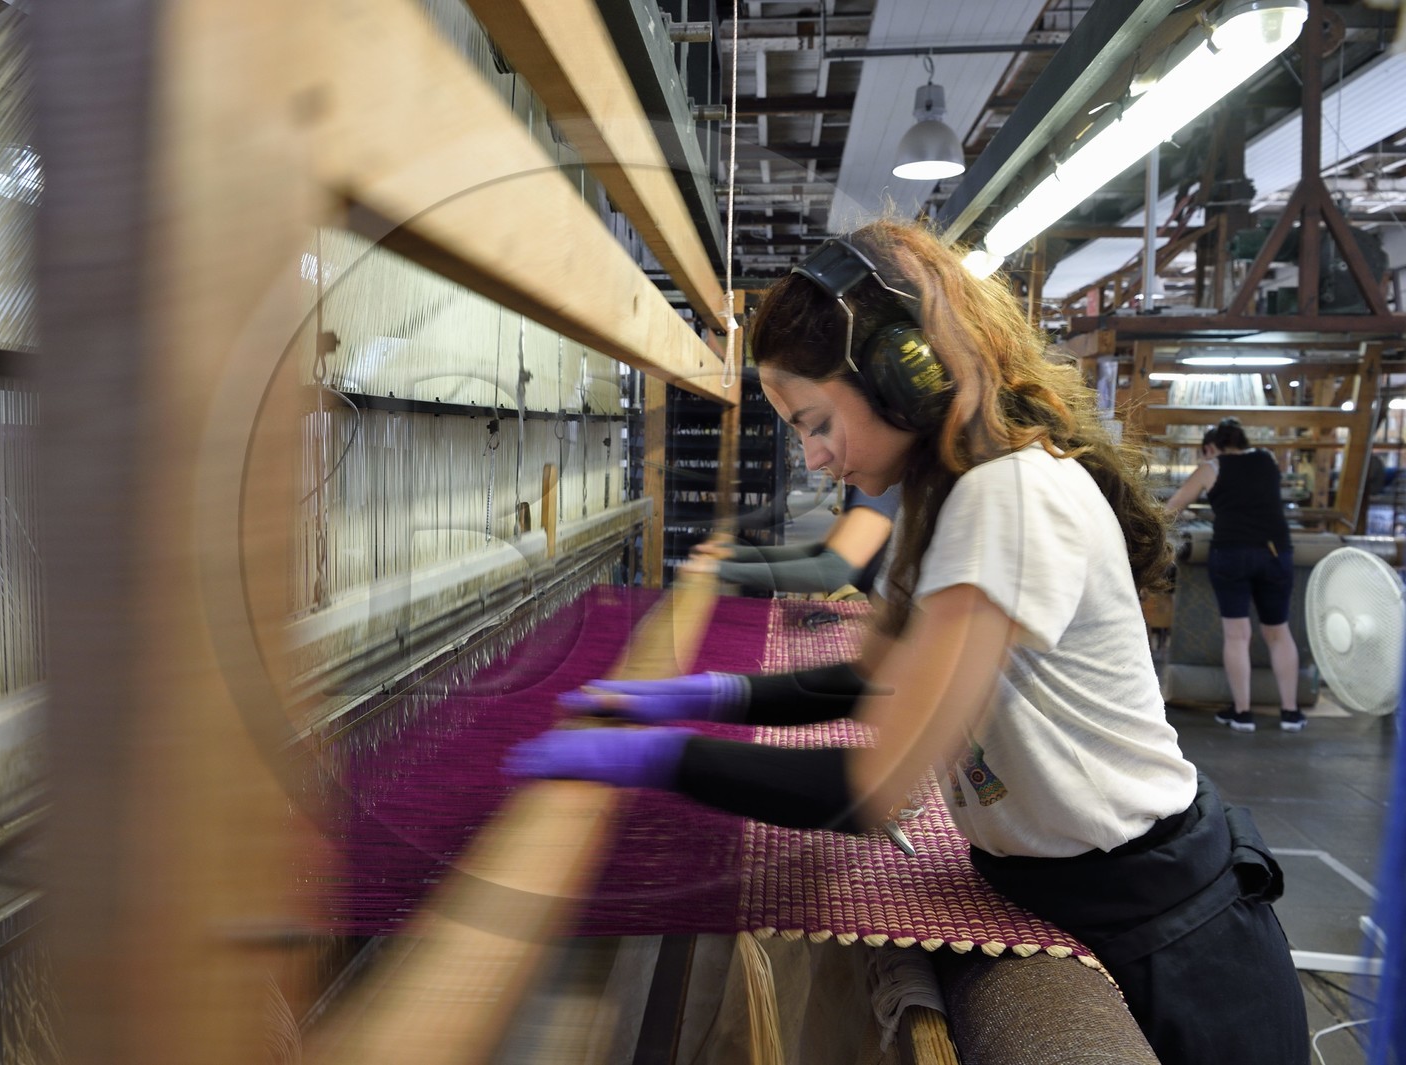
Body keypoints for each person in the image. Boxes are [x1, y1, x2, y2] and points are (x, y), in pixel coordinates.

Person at [506, 219, 1306, 1064]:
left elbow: (870, 788)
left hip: (1167, 940)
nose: (814, 459)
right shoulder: (949, 500)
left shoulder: (1009, 496)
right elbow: (874, 676)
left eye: (817, 421)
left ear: (902, 374)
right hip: (1082, 895)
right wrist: (710, 697)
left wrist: (654, 761)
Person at [1165, 417, 1303, 732]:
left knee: (1237, 635)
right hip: (1275, 551)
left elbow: (1172, 507)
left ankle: (1242, 714)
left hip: (1233, 553)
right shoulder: (1267, 460)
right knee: (1278, 632)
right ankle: (1291, 713)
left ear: (1211, 448)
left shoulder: (1212, 467)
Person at [692, 484, 899, 597]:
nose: (813, 461)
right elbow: (823, 551)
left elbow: (833, 571)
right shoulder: (865, 482)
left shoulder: (883, 486)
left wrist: (719, 571)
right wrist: (735, 554)